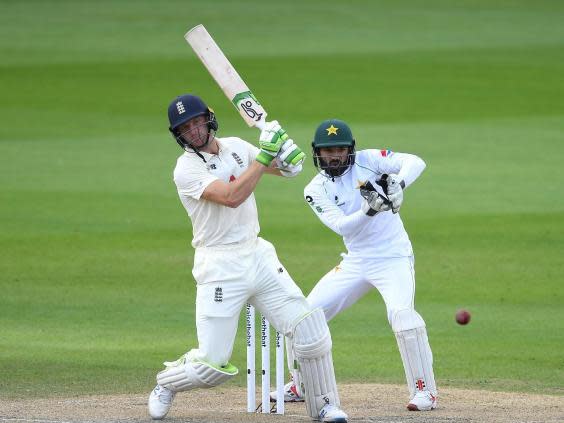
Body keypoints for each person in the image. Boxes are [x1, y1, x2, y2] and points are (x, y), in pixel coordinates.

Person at [147, 95, 348, 423]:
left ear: (208, 119)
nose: (194, 131)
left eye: (197, 122)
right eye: (185, 128)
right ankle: (165, 384)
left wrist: (287, 156)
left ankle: (325, 406)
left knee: (310, 330)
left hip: (258, 255)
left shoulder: (238, 147)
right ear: (178, 134)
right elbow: (232, 197)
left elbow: (282, 170)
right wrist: (267, 153)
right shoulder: (185, 169)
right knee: (212, 365)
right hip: (219, 266)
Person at [272, 119, 438, 411]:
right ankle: (300, 384)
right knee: (304, 315)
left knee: (402, 316)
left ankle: (424, 391)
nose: (334, 156)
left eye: (339, 149)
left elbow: (416, 161)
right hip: (356, 260)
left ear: (350, 150)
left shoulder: (370, 160)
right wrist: (370, 208)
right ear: (317, 153)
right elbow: (342, 227)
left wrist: (398, 184)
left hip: (393, 257)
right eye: (327, 151)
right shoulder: (315, 188)